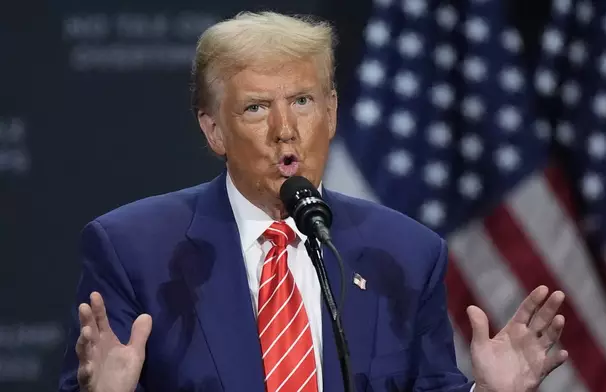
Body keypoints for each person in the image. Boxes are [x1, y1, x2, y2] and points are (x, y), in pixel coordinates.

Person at [58, 11, 568, 392]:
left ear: (331, 112)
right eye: (257, 108)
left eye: (302, 102)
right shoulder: (135, 250)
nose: (286, 131)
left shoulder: (406, 253)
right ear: (214, 131)